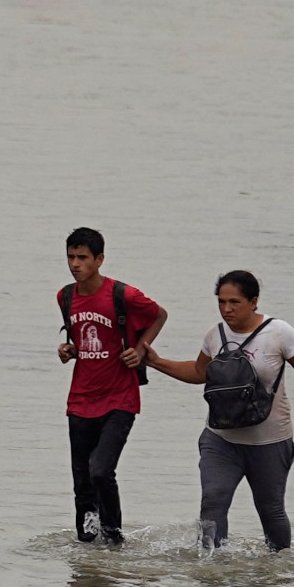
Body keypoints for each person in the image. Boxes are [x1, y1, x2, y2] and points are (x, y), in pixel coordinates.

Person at [146, 270, 294, 552]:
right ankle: (212, 569)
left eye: (234, 302)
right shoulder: (215, 335)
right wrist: (156, 362)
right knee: (213, 500)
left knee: (270, 511)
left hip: (270, 442)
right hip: (221, 439)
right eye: (221, 302)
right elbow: (199, 371)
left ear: (254, 301)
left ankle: (278, 572)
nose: (227, 309)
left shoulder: (279, 333)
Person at [53, 227, 168, 545]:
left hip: (120, 398)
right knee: (82, 481)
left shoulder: (123, 295)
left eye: (83, 258)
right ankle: (87, 549)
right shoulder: (65, 296)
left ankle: (114, 540)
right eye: (71, 257)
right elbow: (82, 338)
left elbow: (159, 314)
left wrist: (141, 348)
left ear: (99, 259)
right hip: (80, 399)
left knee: (100, 470)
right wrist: (70, 349)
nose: (75, 264)